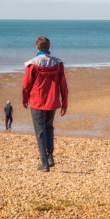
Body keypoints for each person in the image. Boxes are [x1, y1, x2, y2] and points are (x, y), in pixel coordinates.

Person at [23, 36, 68, 172]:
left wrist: (25, 99)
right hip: (52, 101)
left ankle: (44, 164)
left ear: (37, 47)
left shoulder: (32, 64)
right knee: (49, 128)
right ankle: (49, 156)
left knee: (40, 132)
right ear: (48, 47)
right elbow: (64, 86)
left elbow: (26, 85)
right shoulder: (58, 63)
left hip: (37, 102)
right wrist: (64, 103)